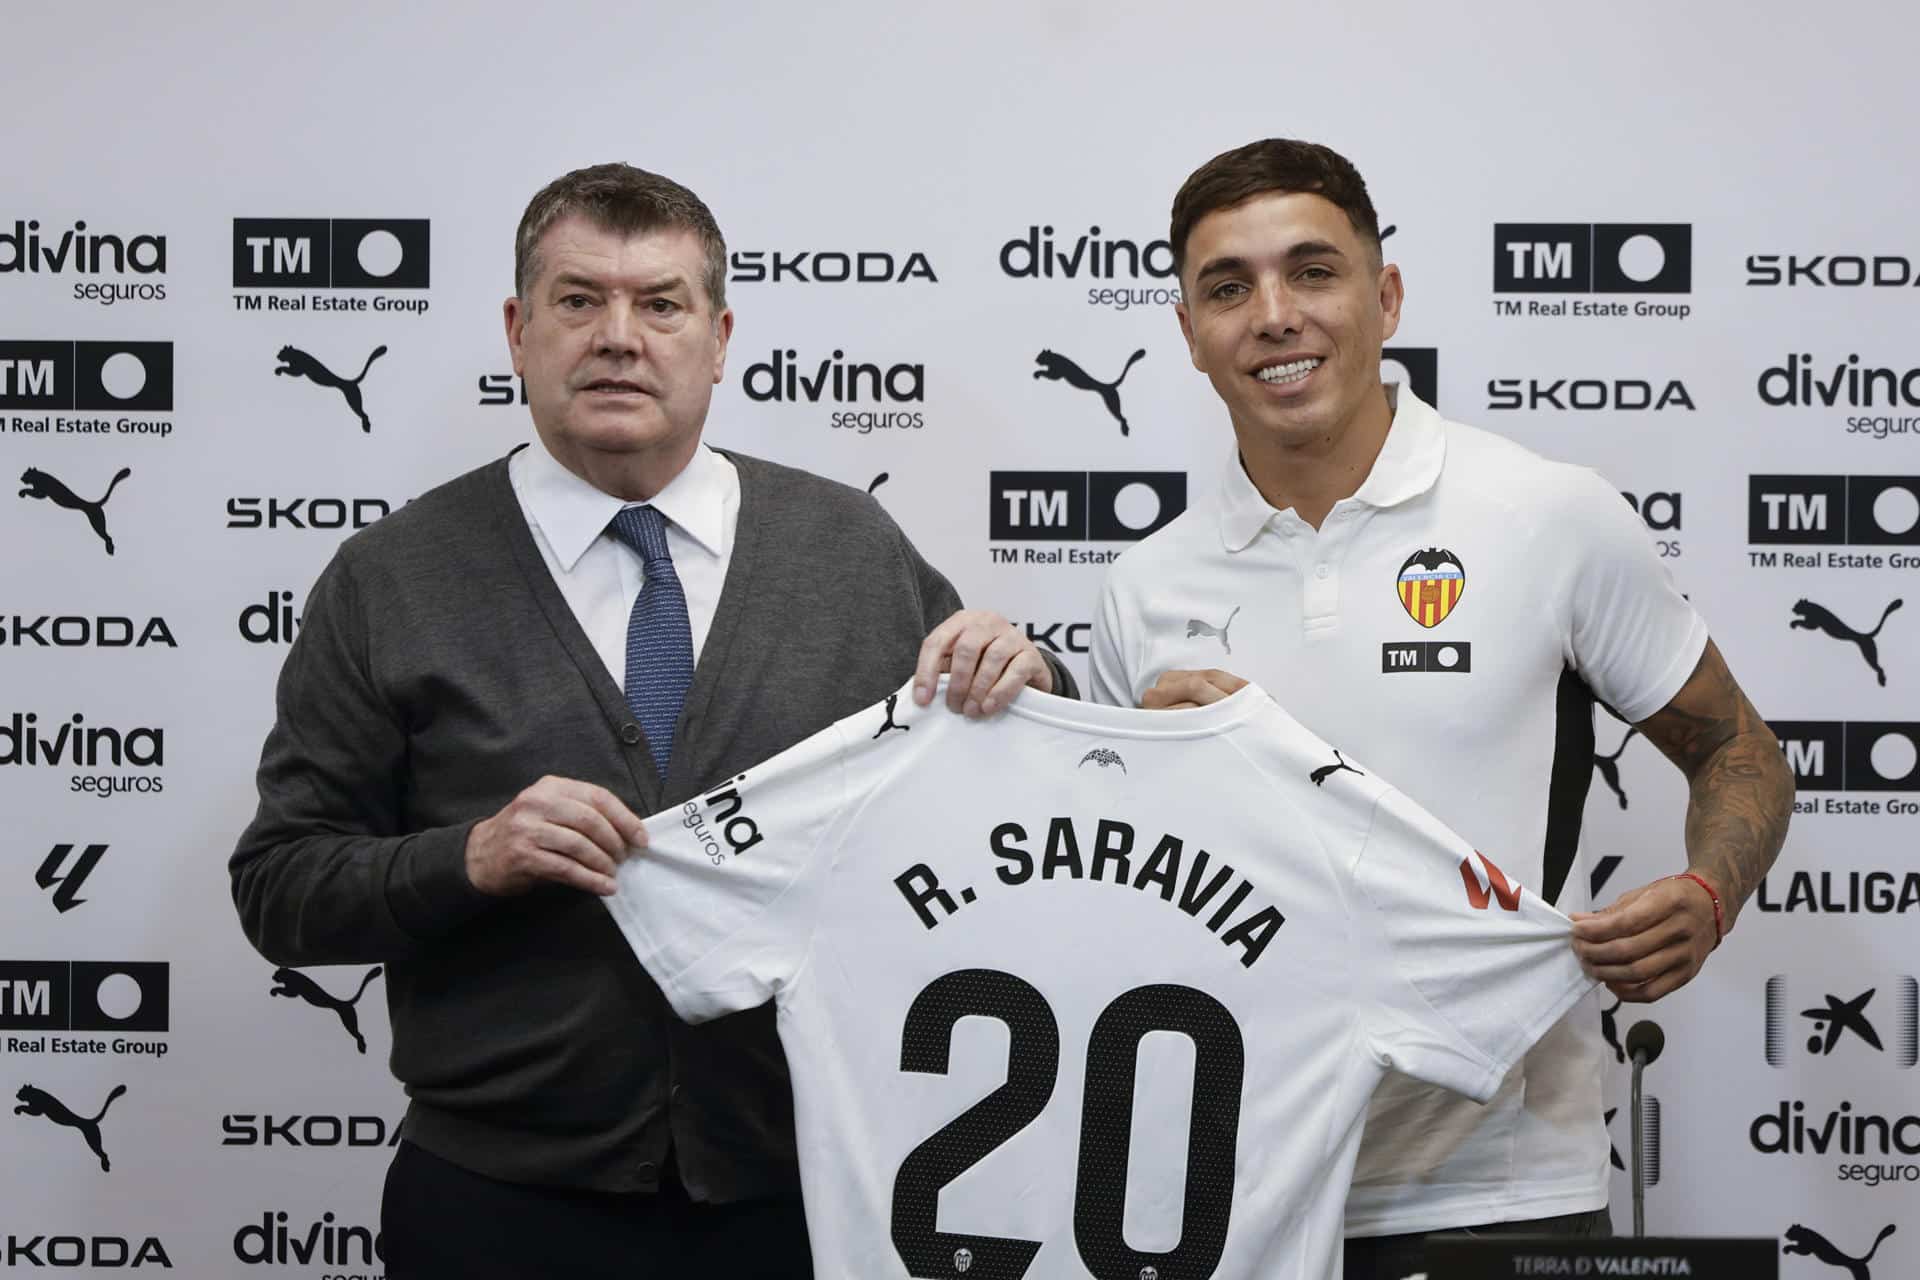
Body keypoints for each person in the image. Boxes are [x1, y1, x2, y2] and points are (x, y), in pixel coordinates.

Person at [229, 162, 1070, 1279]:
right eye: (579, 301)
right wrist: (469, 856)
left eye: (659, 303)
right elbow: (281, 885)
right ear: (518, 331)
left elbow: (1012, 796)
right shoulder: (390, 578)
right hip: (499, 1207)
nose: (618, 337)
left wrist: (1037, 679)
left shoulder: (851, 550)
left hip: (803, 1197)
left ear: (718, 339)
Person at [1087, 138, 1793, 1280]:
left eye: (1312, 271)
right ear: (1188, 330)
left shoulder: (1546, 513)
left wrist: (1709, 889)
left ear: (1387, 294)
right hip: (1225, 1188)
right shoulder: (1141, 586)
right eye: (1229, 286)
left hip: (1500, 1184)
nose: (1274, 315)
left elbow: (1734, 745)